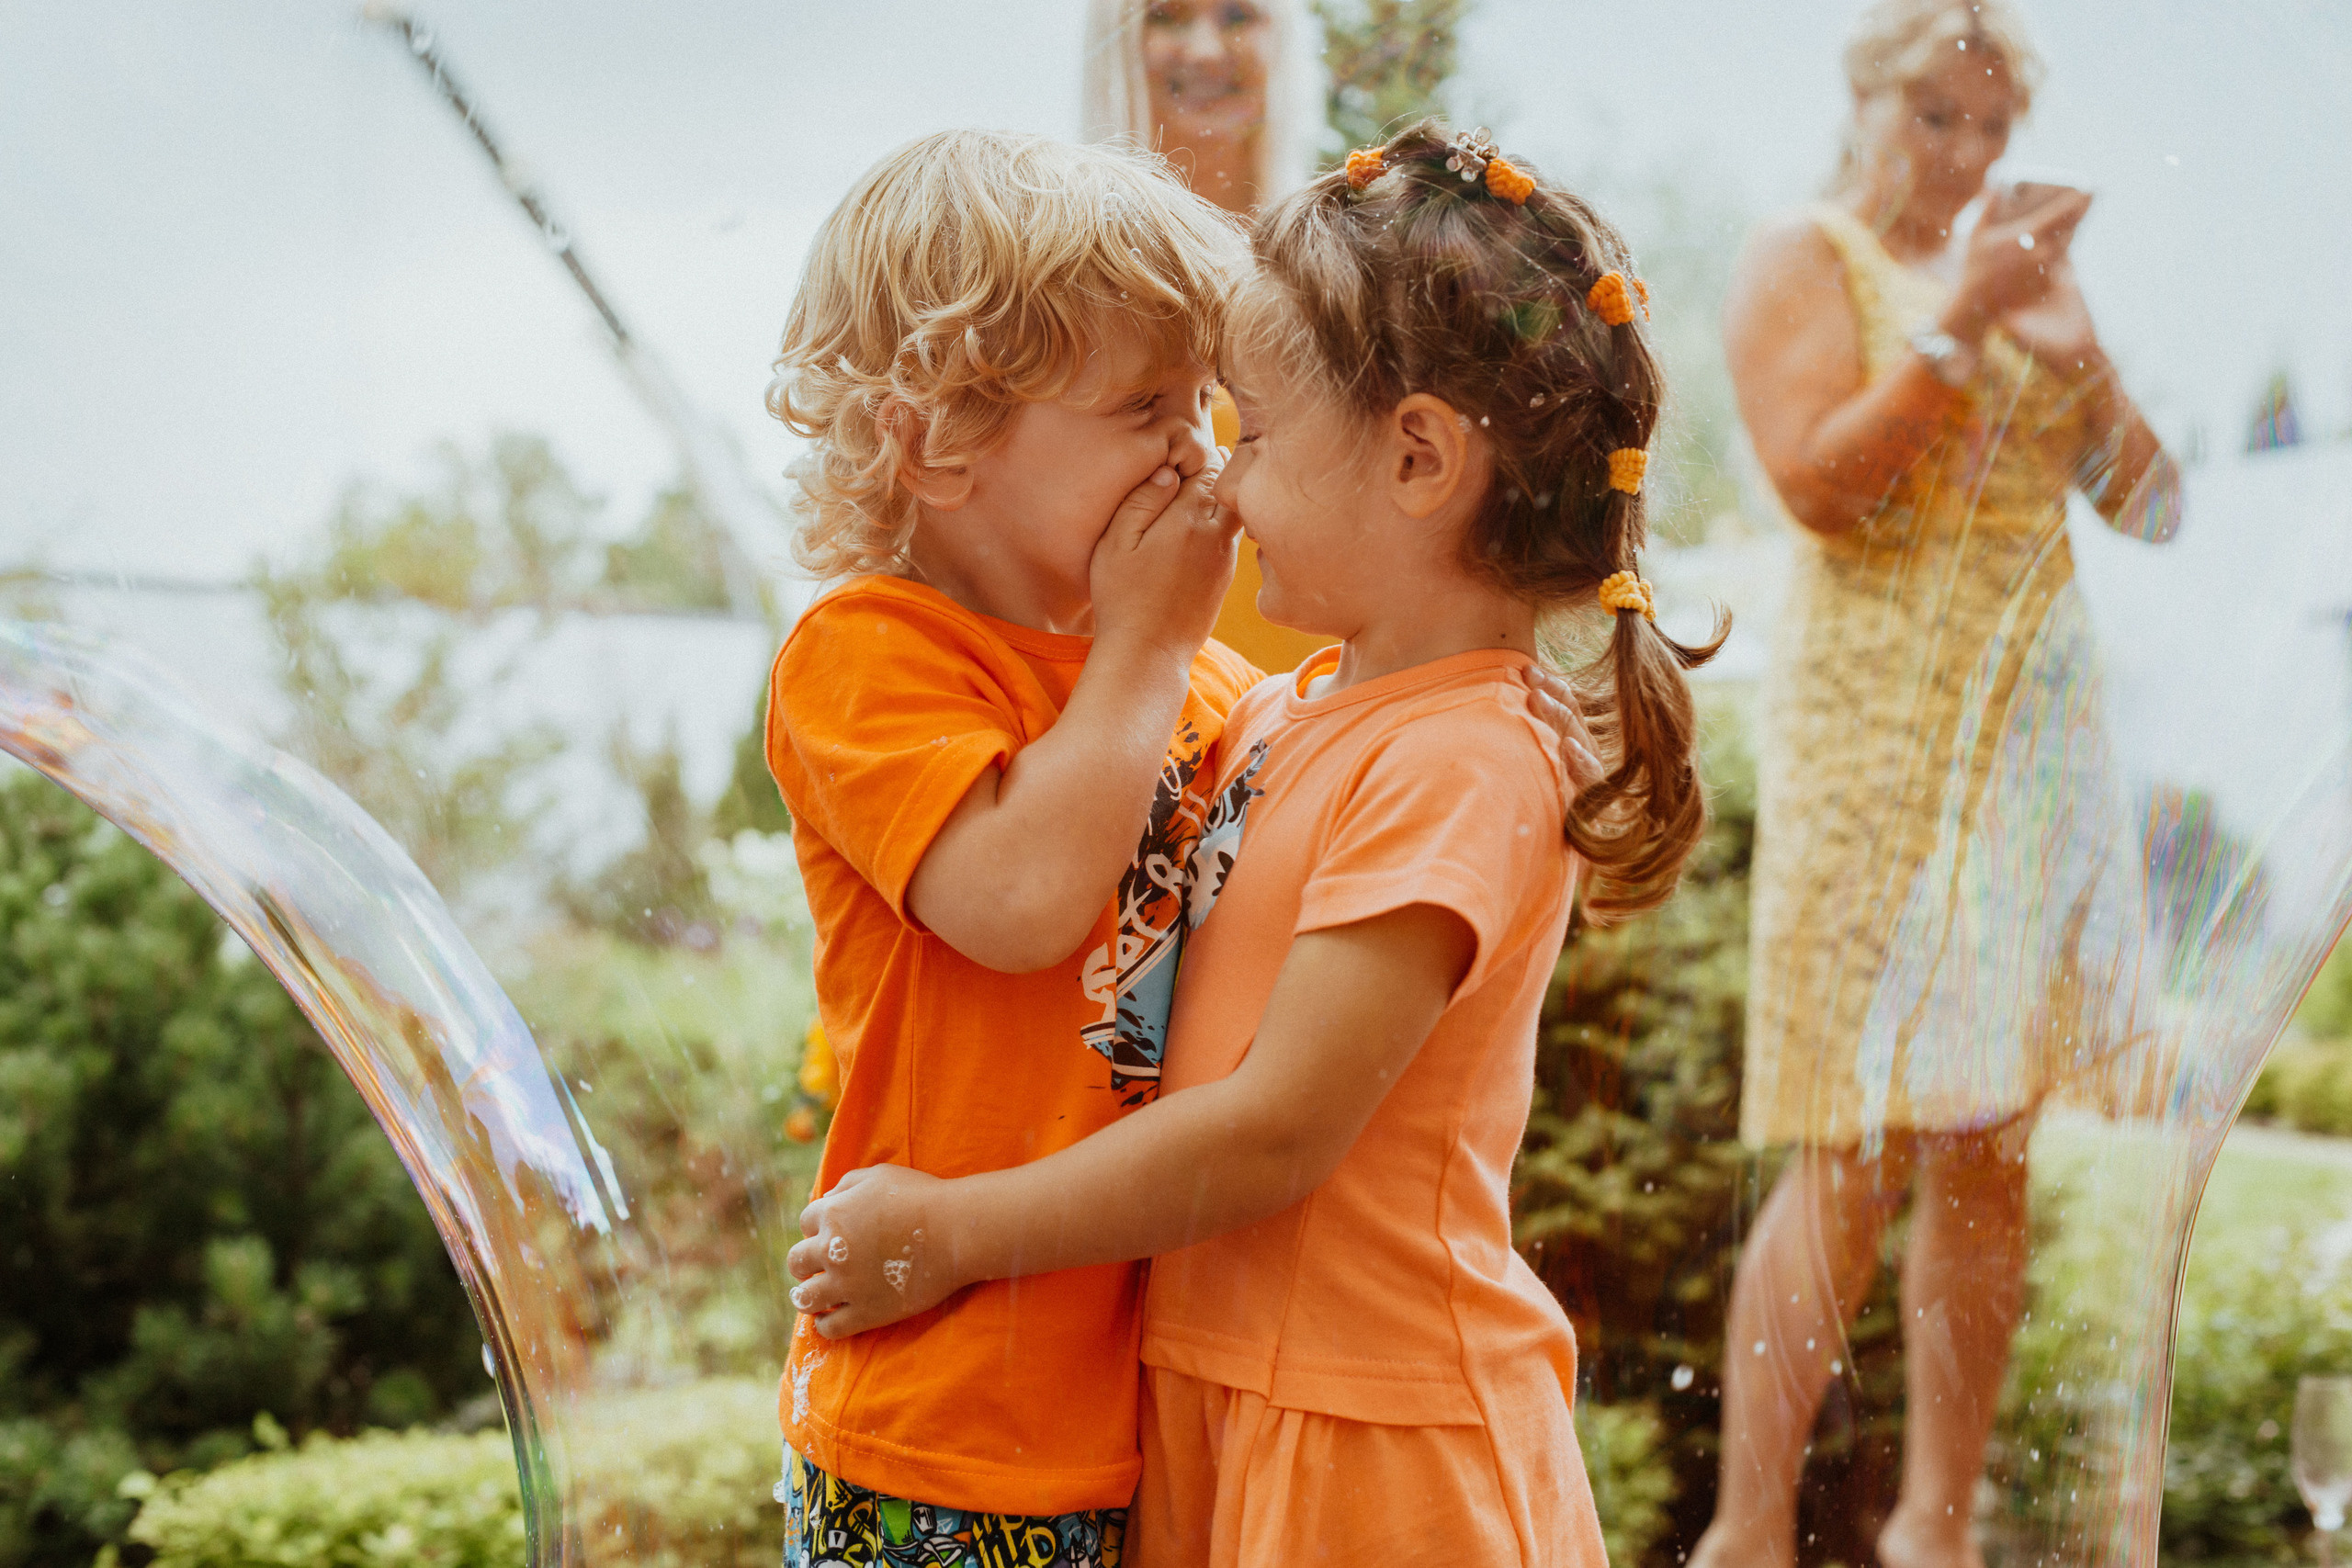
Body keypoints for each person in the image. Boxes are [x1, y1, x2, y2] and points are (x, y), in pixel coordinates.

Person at [786, 121, 1720, 1567]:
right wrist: (1152, 646)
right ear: (935, 439)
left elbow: (1277, 1108)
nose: (1210, 469)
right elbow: (1027, 896)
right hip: (979, 1410)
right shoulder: (929, 662)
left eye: (1236, 423)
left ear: (1421, 456)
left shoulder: (1262, 703)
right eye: (1151, 408)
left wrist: (1162, 649)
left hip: (1274, 1412)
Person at [1699, 5, 2180, 1567]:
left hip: (2033, 741)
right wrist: (1961, 318)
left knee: (1991, 1145)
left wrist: (2082, 354)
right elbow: (1819, 484)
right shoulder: (1806, 252)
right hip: (1882, 734)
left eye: (1989, 126)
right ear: (1867, 99)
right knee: (1853, 1138)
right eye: (1934, 117)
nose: (1965, 153)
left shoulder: (2037, 291)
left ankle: (1937, 1533)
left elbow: (2154, 507)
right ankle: (1746, 1534)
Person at [1082, 0, 1328, 674]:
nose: (1203, 50)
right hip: (1125, 708)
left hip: (1320, 700)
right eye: (1166, 16)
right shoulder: (1064, 282)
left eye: (1237, 16)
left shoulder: (1341, 277)